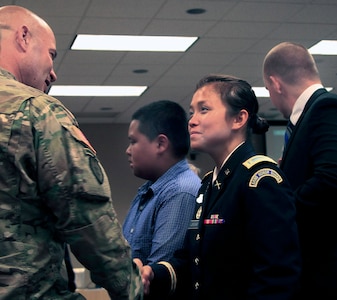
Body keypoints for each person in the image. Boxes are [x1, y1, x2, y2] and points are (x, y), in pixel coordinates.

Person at [0, 5, 142, 299]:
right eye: (51, 54)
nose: (53, 72)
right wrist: (131, 289)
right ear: (23, 37)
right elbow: (90, 221)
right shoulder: (36, 111)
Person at [140, 74, 301, 299]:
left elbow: (276, 277)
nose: (192, 120)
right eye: (191, 112)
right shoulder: (208, 184)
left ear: (239, 119)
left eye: (204, 109)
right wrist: (152, 275)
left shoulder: (261, 180)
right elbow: (191, 261)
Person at [263, 41, 337, 299]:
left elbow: (331, 177)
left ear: (275, 84)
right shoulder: (309, 115)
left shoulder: (325, 107)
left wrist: (282, 207)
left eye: (267, 89)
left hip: (327, 271)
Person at [123, 100, 201, 269]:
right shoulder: (149, 190)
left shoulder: (180, 191)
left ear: (161, 144)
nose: (128, 150)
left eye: (133, 141)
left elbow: (157, 277)